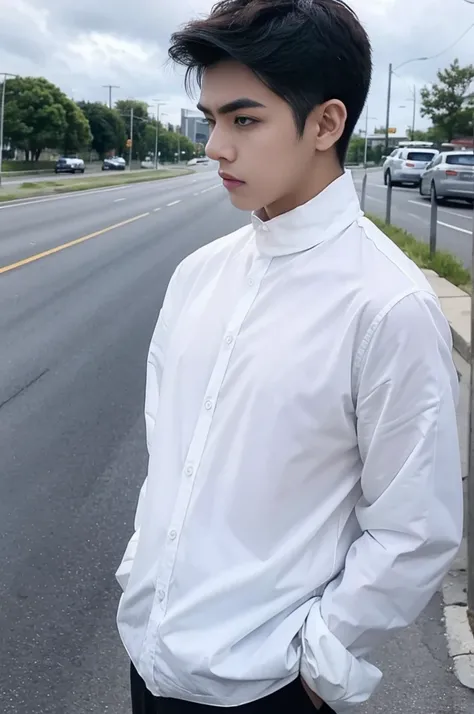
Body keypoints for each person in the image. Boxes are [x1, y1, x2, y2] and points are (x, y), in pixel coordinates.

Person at [115, 1, 463, 712]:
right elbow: (169, 455)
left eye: (244, 119)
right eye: (212, 118)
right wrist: (140, 572)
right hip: (148, 659)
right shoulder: (198, 275)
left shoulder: (386, 305)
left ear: (326, 124)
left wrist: (316, 663)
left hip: (267, 688)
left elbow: (414, 527)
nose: (216, 145)